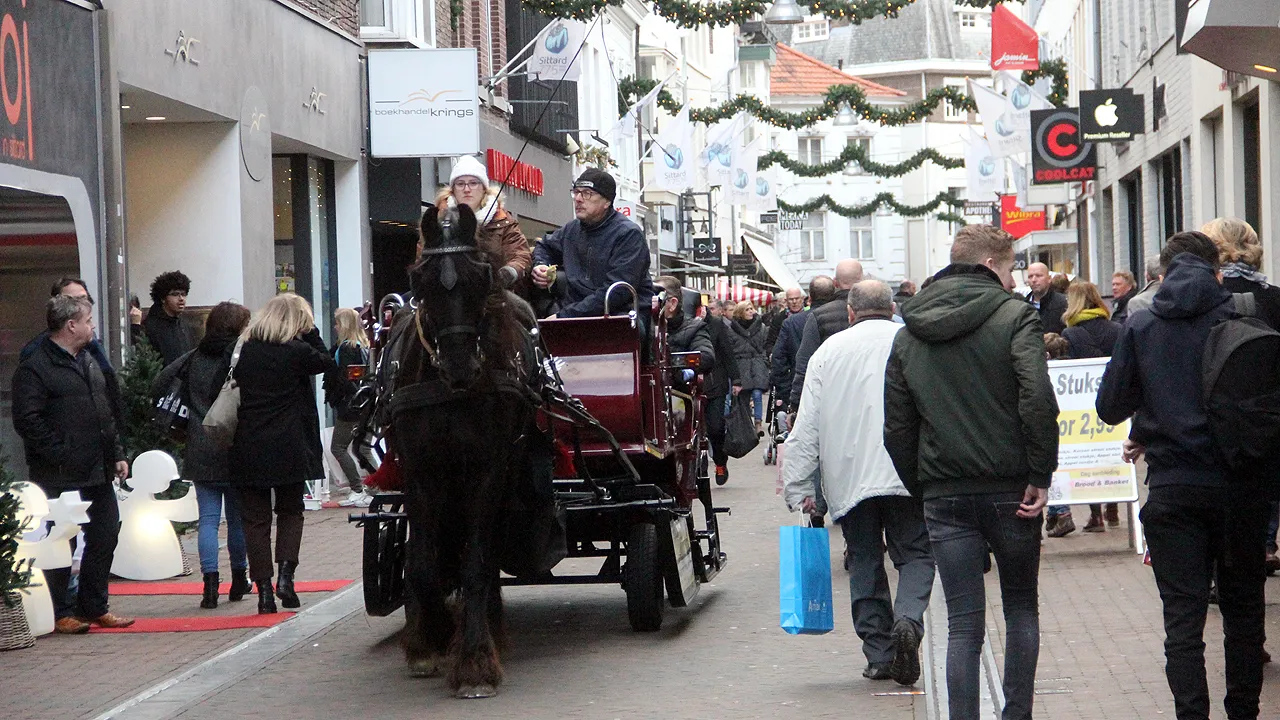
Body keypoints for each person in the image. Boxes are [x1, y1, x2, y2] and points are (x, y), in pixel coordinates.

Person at [884, 224, 1058, 720]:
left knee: (963, 622)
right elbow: (1037, 399)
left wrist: (925, 489)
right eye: (1009, 270)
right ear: (991, 266)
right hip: (1012, 488)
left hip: (945, 492)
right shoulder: (1014, 315)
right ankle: (1016, 714)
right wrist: (1040, 472)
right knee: (1021, 606)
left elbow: (897, 426)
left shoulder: (909, 331)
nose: (1012, 280)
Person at [1096, 231, 1269, 720]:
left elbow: (1110, 407)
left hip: (1174, 488)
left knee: (1183, 621)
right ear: (1218, 270)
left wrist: (1151, 418)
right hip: (1241, 488)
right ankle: (1244, 712)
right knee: (1244, 615)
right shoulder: (1244, 314)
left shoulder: (1143, 324)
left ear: (1162, 274)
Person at [784, 280, 934, 686]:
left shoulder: (827, 353)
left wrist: (799, 489)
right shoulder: (913, 341)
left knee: (865, 562)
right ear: (893, 308)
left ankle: (880, 654)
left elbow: (805, 428)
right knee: (917, 554)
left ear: (850, 313)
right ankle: (908, 619)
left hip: (849, 477)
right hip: (908, 472)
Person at [12, 295, 134, 633]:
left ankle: (94, 606)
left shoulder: (88, 360)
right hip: (61, 473)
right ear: (71, 325)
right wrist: (61, 452)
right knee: (61, 541)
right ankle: (61, 611)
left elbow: (104, 413)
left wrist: (118, 452)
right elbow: (28, 420)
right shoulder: (36, 366)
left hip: (98, 468)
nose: (92, 326)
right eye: (88, 320)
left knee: (105, 534)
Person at [230, 293, 336, 614]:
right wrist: (312, 331)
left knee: (255, 520)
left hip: (248, 445)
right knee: (290, 512)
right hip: (289, 445)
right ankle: (286, 579)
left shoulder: (243, 351)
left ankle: (263, 590)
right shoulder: (297, 352)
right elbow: (328, 361)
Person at [154, 302, 253, 610]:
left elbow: (159, 383)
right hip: (234, 444)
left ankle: (210, 586)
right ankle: (240, 578)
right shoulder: (241, 358)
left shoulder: (193, 357)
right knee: (237, 519)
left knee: (208, 520)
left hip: (199, 445)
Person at [1201, 217, 1280, 576]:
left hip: (1212, 426)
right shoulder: (1273, 297)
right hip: (1265, 427)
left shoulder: (1202, 300)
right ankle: (1263, 547)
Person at [1046, 281, 1122, 538]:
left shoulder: (1072, 334)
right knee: (1113, 448)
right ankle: (1113, 507)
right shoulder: (1116, 329)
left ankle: (1096, 513)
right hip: (1115, 400)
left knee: (1092, 450)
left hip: (1083, 403)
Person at [531, 169, 653, 319]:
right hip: (573, 312)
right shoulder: (571, 230)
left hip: (618, 315)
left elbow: (617, 292)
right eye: (576, 192)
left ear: (607, 201)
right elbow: (544, 246)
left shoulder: (628, 235)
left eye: (587, 193)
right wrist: (541, 265)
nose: (578, 198)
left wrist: (565, 317)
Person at [20, 277, 123, 423]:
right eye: (72, 300)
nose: (80, 306)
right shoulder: (36, 353)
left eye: (83, 299)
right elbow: (29, 418)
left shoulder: (91, 344)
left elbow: (109, 392)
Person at [436, 155, 532, 292]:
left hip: (495, 292)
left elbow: (521, 255)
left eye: (473, 183)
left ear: (484, 188)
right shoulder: (438, 220)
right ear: (453, 189)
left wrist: (506, 274)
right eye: (460, 183)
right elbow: (423, 258)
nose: (467, 189)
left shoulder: (503, 220)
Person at [788, 259, 864, 414]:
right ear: (861, 280)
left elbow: (804, 362)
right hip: (867, 397)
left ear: (835, 283)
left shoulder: (819, 316)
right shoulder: (877, 312)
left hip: (830, 399)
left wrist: (796, 404)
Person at [326, 307, 377, 509]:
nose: (335, 327)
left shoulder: (347, 348)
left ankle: (358, 489)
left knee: (338, 447)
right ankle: (375, 488)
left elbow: (347, 379)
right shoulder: (363, 346)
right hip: (365, 404)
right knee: (363, 448)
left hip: (351, 406)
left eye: (337, 323)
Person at [769, 277, 831, 415]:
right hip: (836, 391)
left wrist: (788, 394)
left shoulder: (792, 322)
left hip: (802, 388)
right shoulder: (847, 317)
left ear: (809, 297)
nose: (794, 302)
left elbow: (778, 360)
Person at [704, 299, 741, 485]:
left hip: (715, 384)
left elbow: (728, 353)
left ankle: (720, 462)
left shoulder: (716, 325)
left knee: (715, 428)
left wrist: (736, 380)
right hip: (688, 387)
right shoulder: (682, 324)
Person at [727, 300, 769, 433]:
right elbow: (731, 348)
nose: (751, 311)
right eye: (747, 309)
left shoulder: (761, 327)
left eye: (751, 308)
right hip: (742, 365)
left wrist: (764, 360)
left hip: (757, 364)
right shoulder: (732, 329)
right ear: (740, 313)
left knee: (757, 394)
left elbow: (765, 345)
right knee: (743, 396)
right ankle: (747, 425)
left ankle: (758, 423)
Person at [656, 276, 714, 370]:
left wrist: (674, 363)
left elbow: (706, 357)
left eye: (657, 299)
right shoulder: (643, 328)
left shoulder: (694, 328)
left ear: (673, 304)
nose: (650, 304)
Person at [141, 270, 196, 365]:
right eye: (175, 294)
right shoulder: (151, 326)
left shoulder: (184, 324)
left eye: (183, 294)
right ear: (163, 298)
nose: (181, 298)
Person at [1024, 262, 1068, 335]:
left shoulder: (1063, 303)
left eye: (1038, 275)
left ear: (1049, 279)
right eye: (1030, 276)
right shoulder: (1023, 306)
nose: (1034, 280)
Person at [766, 286, 805, 353]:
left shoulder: (810, 315)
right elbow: (771, 342)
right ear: (786, 301)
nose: (794, 302)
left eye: (797, 298)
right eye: (791, 299)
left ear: (802, 299)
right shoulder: (778, 318)